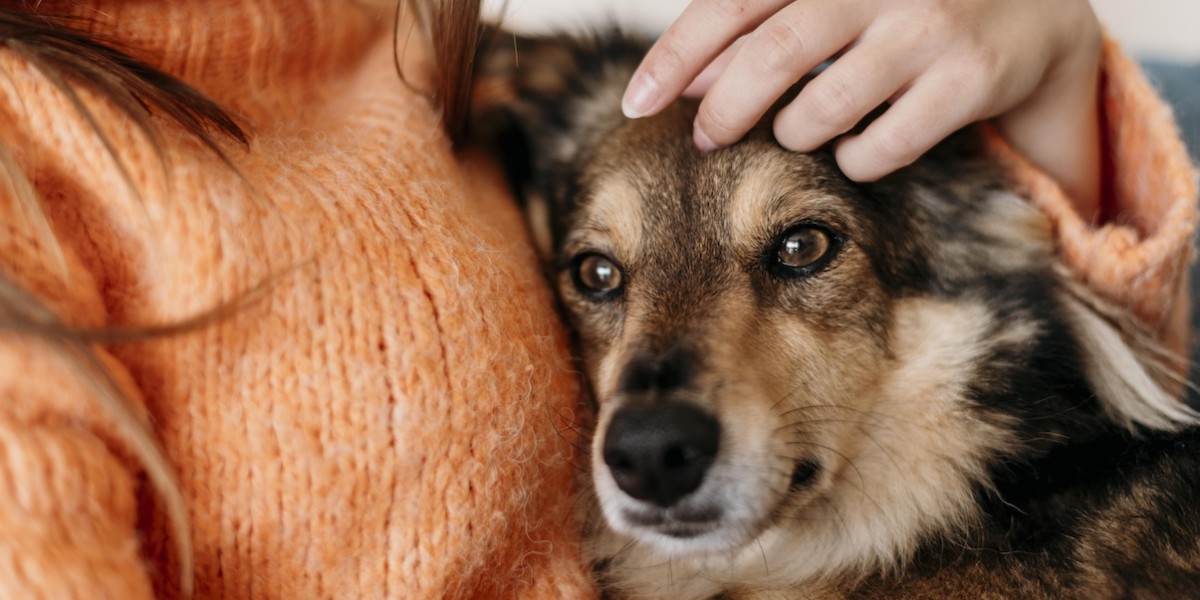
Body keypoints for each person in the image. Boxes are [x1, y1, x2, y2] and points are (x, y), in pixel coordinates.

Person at [0, 2, 1192, 600]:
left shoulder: (458, 67)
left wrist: (1055, 60)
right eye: (601, 279)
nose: (653, 399)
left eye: (798, 252)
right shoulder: (26, 148)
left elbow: (1093, 367)